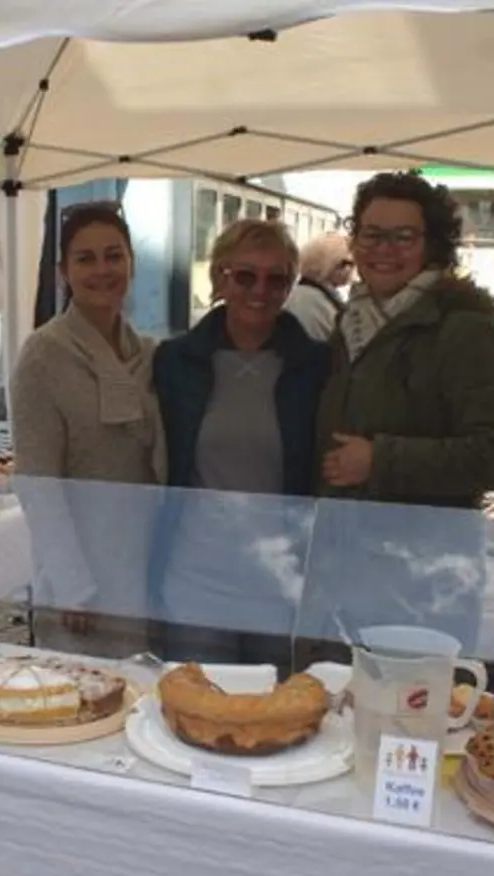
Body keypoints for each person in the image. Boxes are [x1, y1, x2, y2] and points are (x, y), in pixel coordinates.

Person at [302, 171, 494, 659]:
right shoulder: (352, 323)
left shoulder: (464, 332)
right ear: (354, 241)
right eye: (372, 234)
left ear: (434, 247)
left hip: (424, 588)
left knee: (405, 728)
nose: (385, 249)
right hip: (343, 575)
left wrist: (380, 459)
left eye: (404, 236)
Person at [150, 219, 330, 671]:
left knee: (268, 723)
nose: (260, 290)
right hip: (196, 580)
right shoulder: (176, 363)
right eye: (245, 275)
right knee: (197, 715)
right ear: (220, 277)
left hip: (278, 581)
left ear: (291, 286)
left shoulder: (314, 367)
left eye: (277, 279)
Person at [9, 202, 164, 656]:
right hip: (81, 580)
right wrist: (72, 584)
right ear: (63, 273)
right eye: (85, 259)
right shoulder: (43, 356)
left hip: (141, 563)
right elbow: (38, 482)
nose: (102, 270)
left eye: (113, 255)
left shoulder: (147, 354)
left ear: (131, 263)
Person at [282, 232, 354, 342]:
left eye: (352, 264)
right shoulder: (308, 300)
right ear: (326, 264)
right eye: (344, 263)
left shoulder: (317, 295)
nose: (350, 270)